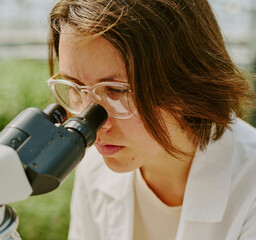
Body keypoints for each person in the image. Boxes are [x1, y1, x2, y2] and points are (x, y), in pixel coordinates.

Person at [46, 0, 256, 239]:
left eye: (117, 90)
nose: (94, 123)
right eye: (75, 87)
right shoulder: (93, 165)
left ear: (187, 80)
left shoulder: (250, 187)